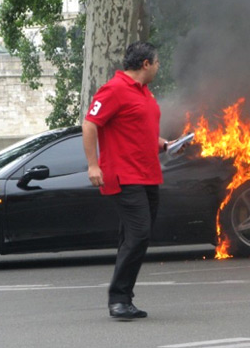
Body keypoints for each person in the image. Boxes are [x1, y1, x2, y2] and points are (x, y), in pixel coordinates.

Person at [82, 41, 171, 319]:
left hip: (147, 174)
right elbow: (90, 124)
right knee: (139, 234)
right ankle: (118, 299)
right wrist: (93, 165)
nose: (158, 67)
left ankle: (123, 297)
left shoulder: (145, 92)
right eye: (157, 62)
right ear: (146, 64)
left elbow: (133, 128)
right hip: (125, 176)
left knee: (134, 237)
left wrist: (157, 142)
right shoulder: (114, 89)